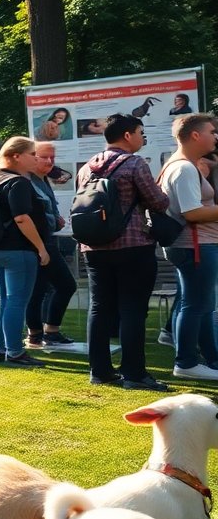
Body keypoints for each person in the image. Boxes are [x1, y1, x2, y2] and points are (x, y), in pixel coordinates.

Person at [77, 113, 171, 390]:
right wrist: (162, 193)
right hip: (132, 245)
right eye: (141, 132)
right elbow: (158, 202)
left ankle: (100, 371)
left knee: (99, 307)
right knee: (132, 308)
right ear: (128, 135)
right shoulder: (135, 163)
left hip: (93, 246)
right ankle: (134, 373)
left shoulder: (87, 168)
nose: (143, 138)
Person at [0, 137, 51, 367]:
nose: (36, 158)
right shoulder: (18, 182)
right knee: (17, 300)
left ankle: (1, 348)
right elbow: (21, 218)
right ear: (16, 156)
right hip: (18, 249)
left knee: (4, 299)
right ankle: (15, 351)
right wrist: (41, 247)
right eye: (32, 153)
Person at [157, 113, 218, 380]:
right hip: (195, 245)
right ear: (195, 135)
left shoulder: (183, 165)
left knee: (201, 304)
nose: (215, 136)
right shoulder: (183, 168)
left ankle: (209, 359)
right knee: (195, 305)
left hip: (198, 245)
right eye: (212, 131)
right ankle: (186, 362)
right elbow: (191, 212)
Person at [25, 142, 77, 350]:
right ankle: (47, 332)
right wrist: (54, 221)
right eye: (44, 157)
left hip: (45, 240)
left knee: (39, 289)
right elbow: (29, 215)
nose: (49, 162)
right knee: (66, 285)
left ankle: (38, 334)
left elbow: (45, 211)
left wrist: (56, 219)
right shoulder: (27, 181)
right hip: (39, 242)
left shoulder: (41, 179)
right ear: (31, 157)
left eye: (52, 158)